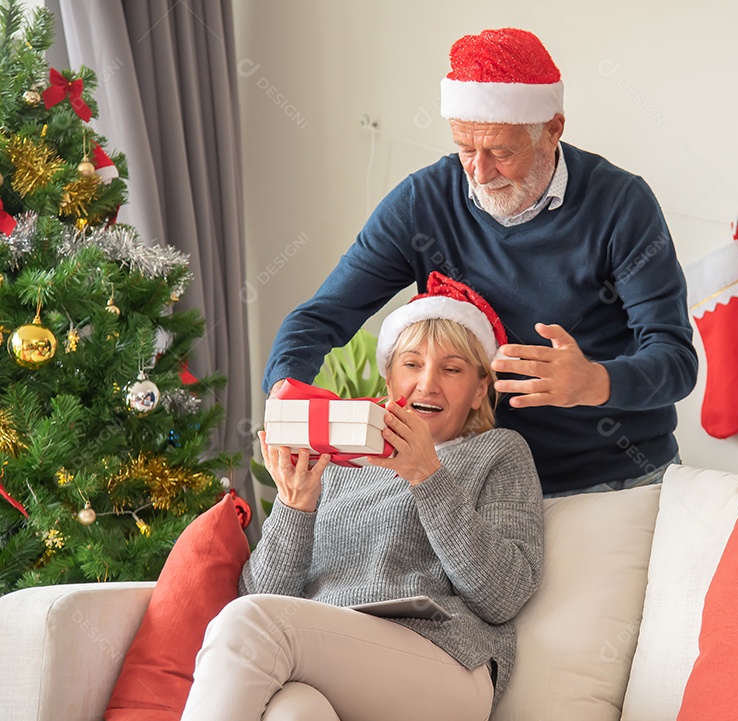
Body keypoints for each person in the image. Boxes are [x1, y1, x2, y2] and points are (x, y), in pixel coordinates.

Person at [263, 28, 697, 496]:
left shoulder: (620, 203)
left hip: (617, 479)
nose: (479, 172)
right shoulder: (421, 203)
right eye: (466, 148)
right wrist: (285, 398)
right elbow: (321, 317)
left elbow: (675, 362)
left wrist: (595, 381)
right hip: (478, 485)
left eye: (502, 152)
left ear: (552, 130)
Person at [182, 273, 544, 720]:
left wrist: (427, 477)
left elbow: (503, 595)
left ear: (478, 390)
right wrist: (295, 506)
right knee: (294, 712)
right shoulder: (336, 463)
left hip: (447, 662)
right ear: (390, 380)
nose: (428, 383)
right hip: (330, 659)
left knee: (248, 624)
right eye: (411, 364)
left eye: (452, 369)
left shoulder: (498, 452)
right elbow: (261, 595)